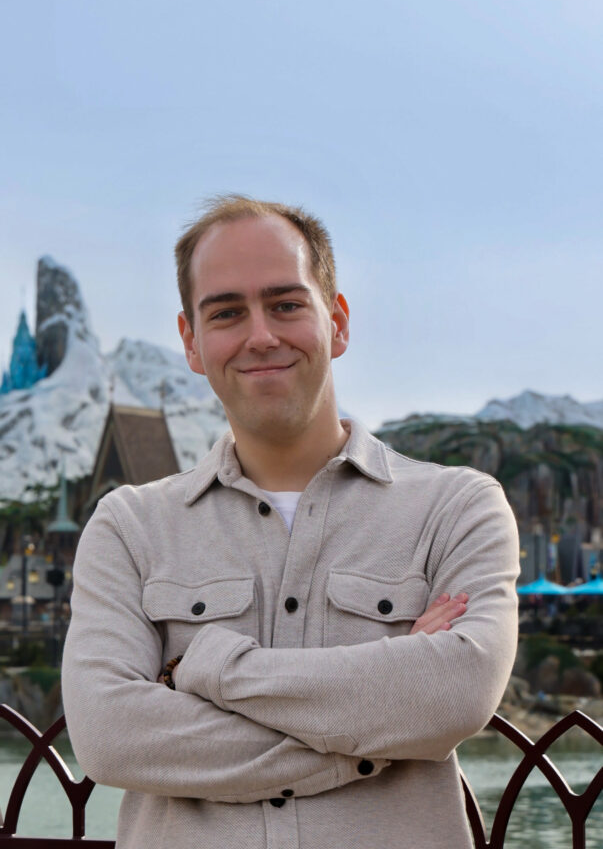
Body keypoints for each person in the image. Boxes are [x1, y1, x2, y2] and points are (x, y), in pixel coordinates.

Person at [62, 195, 519, 849]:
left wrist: (207, 670)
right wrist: (378, 733)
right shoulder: (128, 528)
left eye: (285, 304)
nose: (260, 336)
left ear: (337, 322)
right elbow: (110, 738)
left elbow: (455, 695)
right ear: (191, 342)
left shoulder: (457, 508)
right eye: (226, 312)